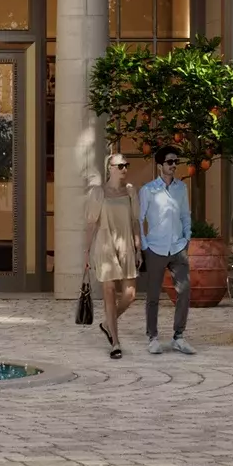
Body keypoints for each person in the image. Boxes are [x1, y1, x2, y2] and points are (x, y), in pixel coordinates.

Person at [134, 144, 196, 354]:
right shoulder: (148, 190)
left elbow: (185, 215)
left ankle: (179, 336)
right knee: (153, 296)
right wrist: (144, 246)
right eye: (170, 162)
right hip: (156, 248)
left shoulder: (181, 188)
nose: (173, 166)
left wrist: (187, 237)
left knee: (184, 291)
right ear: (160, 165)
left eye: (176, 162)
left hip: (178, 247)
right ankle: (152, 337)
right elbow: (139, 220)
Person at [81, 149, 140, 358]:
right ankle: (115, 342)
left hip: (126, 245)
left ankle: (107, 323)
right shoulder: (99, 192)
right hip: (105, 244)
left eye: (126, 165)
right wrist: (86, 253)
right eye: (120, 166)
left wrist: (138, 246)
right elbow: (90, 224)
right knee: (108, 292)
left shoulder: (131, 191)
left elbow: (135, 222)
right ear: (110, 168)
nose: (124, 169)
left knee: (130, 294)